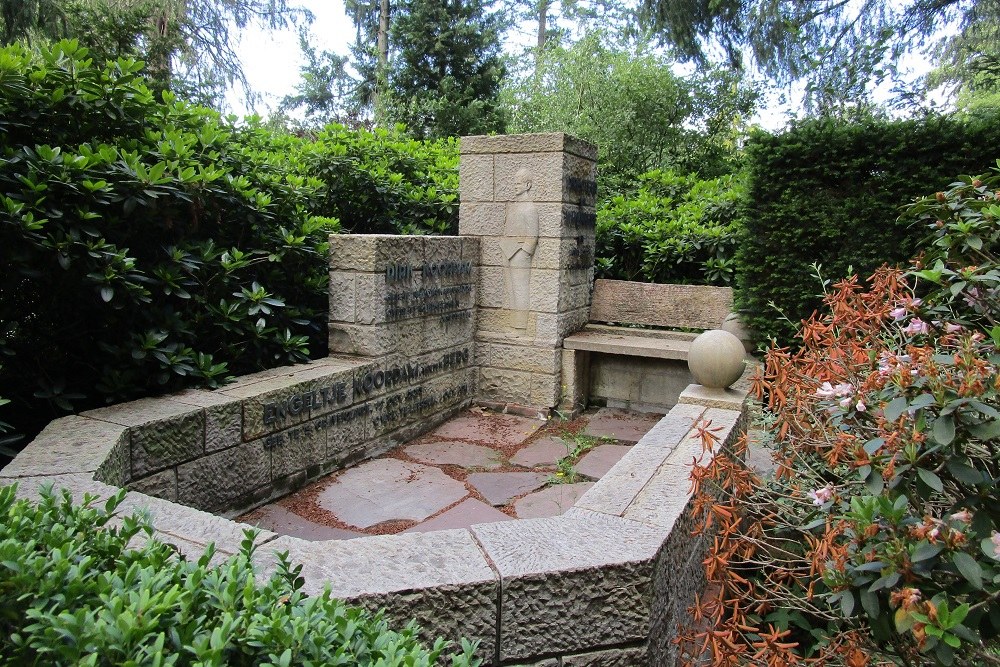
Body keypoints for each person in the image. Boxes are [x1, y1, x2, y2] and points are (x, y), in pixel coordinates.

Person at [499, 167, 538, 329]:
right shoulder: (513, 206)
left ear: (528, 185)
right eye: (514, 183)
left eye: (518, 183)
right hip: (507, 250)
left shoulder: (530, 208)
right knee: (511, 291)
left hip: (520, 253)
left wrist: (524, 253)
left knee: (521, 290)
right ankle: (514, 324)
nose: (515, 186)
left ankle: (521, 328)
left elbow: (533, 235)